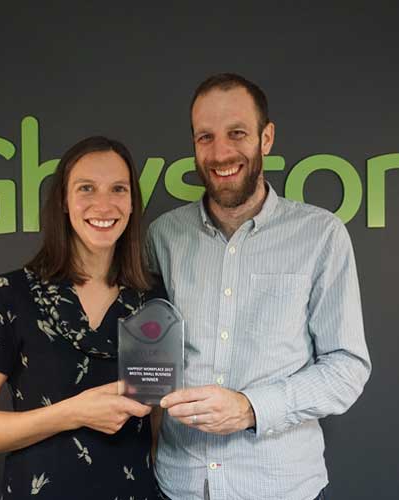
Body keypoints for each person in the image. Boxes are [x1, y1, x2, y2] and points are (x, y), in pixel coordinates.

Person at [147, 73, 371, 500]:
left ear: (266, 138)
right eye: (205, 137)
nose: (221, 153)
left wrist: (251, 408)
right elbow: (147, 349)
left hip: (281, 486)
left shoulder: (320, 234)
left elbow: (347, 367)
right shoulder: (163, 237)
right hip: (179, 485)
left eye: (237, 133)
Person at [0, 136, 165, 499]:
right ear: (64, 202)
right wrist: (73, 413)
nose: (104, 204)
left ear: (132, 204)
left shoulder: (152, 300)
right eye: (86, 188)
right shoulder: (11, 294)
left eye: (118, 189)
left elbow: (157, 423)